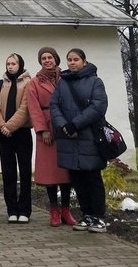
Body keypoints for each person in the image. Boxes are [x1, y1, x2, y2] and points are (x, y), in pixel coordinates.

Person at [50, 48, 108, 234]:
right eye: (69, 60)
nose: (72, 62)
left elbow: (98, 107)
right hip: (69, 139)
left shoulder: (95, 82)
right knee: (77, 178)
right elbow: (54, 105)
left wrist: (75, 125)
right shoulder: (62, 83)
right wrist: (64, 126)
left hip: (89, 137)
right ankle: (86, 214)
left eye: (76, 59)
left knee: (93, 178)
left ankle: (99, 217)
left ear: (84, 61)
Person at [26, 47, 75, 227]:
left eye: (50, 57)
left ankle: (66, 210)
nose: (47, 60)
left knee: (67, 172)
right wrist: (42, 130)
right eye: (44, 58)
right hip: (47, 129)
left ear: (56, 59)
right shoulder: (34, 83)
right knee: (50, 173)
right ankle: (54, 210)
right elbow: (34, 109)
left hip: (66, 127)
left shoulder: (66, 78)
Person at [0, 53, 33, 223]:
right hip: (4, 135)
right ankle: (12, 210)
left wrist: (9, 127)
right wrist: (2, 126)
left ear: (20, 64)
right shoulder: (0, 84)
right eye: (8, 63)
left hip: (22, 133)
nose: (10, 66)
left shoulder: (29, 83)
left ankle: (24, 210)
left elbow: (25, 108)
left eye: (13, 63)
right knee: (8, 173)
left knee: (24, 173)